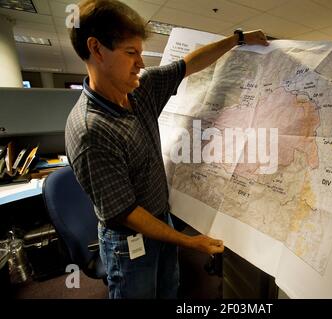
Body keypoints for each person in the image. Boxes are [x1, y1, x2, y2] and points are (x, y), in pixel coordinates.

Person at [65, 0, 269, 299]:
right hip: (128, 243)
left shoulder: (139, 90)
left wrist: (237, 39)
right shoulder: (90, 131)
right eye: (131, 53)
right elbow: (126, 213)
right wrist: (190, 243)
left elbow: (187, 65)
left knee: (169, 291)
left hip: (162, 221)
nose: (142, 63)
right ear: (96, 49)